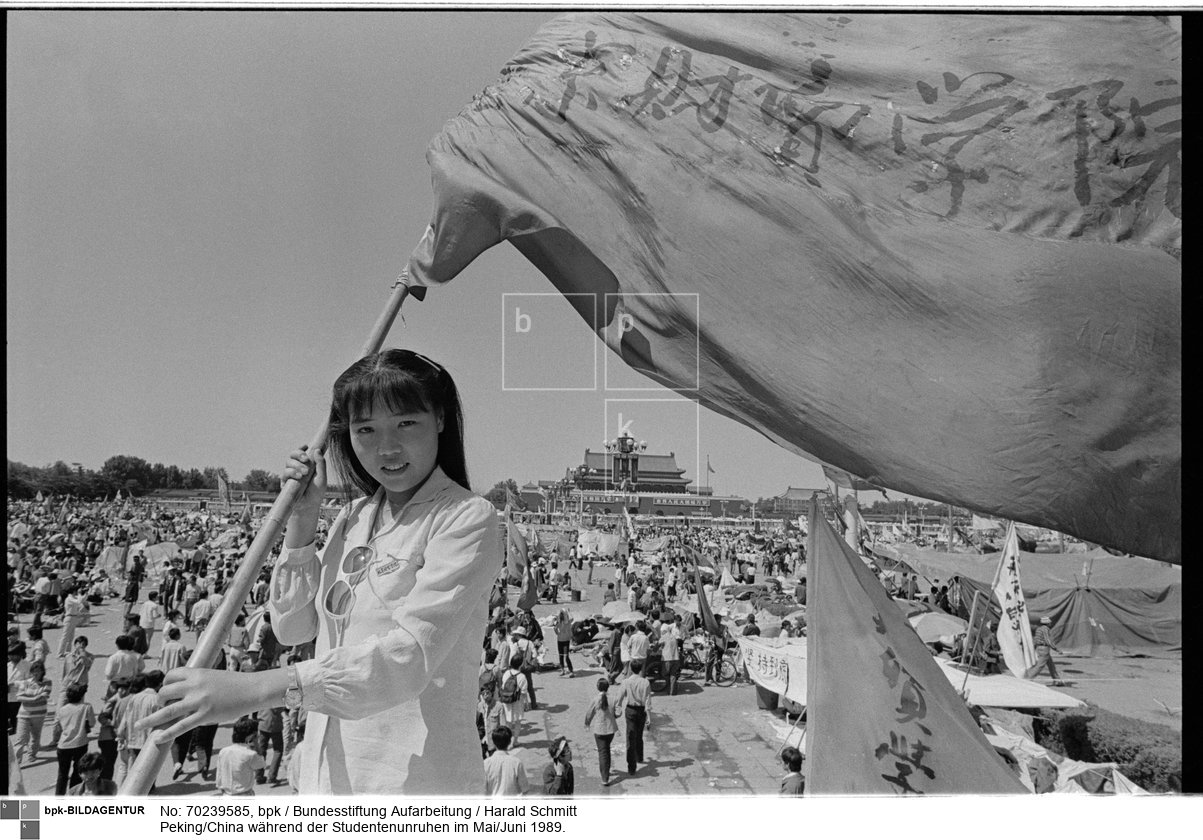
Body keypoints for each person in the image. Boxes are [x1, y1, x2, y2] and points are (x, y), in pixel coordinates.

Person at [139, 350, 502, 795]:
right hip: (326, 773)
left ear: (440, 419)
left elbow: (407, 660)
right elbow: (292, 628)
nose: (386, 448)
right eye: (364, 429)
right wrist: (303, 521)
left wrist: (255, 691)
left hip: (411, 780)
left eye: (406, 423)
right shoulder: (353, 517)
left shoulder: (466, 518)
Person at [51, 682, 95, 795]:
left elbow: (58, 725)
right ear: (81, 695)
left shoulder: (62, 709)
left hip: (63, 745)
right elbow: (92, 723)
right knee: (78, 772)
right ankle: (73, 795)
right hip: (80, 744)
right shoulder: (86, 707)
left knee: (62, 774)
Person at [614, 661, 652, 776]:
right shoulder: (645, 682)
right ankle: (639, 757)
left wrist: (618, 709)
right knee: (639, 735)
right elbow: (647, 701)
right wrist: (649, 717)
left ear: (631, 668)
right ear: (640, 669)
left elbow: (619, 697)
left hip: (630, 710)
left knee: (630, 737)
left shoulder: (626, 682)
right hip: (641, 711)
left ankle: (631, 767)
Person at [214, 717, 266, 796]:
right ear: (250, 737)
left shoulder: (223, 751)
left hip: (226, 795)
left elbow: (219, 777)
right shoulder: (250, 754)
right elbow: (261, 764)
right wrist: (256, 745)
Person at [15, 660, 52, 765]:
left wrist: (28, 697)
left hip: (38, 714)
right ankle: (16, 762)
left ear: (42, 672)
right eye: (34, 671)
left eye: (38, 671)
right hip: (24, 714)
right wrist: (35, 697)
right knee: (20, 739)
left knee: (35, 736)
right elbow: (19, 697)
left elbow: (45, 695)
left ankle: (32, 754)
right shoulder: (26, 682)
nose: (36, 673)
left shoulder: (47, 681)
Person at [583, 678, 618, 786]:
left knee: (602, 753)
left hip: (599, 730)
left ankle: (605, 778)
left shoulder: (595, 699)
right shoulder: (613, 699)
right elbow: (618, 712)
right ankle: (606, 771)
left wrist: (587, 723)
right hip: (610, 729)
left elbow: (589, 713)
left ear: (598, 687)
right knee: (606, 750)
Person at [482, 726, 529, 797]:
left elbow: (482, 790)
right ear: (510, 742)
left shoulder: (486, 764)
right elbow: (525, 789)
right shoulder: (516, 763)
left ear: (494, 743)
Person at [497, 653, 529, 745]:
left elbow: (503, 686)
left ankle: (506, 742)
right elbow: (523, 693)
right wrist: (526, 703)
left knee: (507, 722)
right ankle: (515, 741)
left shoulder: (507, 673)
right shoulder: (522, 676)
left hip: (506, 700)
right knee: (518, 722)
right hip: (517, 702)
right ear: (520, 664)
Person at [1026, 616, 1065, 686]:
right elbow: (1048, 640)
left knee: (1051, 665)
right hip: (1044, 649)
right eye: (1049, 622)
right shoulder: (1045, 629)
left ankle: (1057, 680)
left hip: (1039, 648)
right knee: (1040, 665)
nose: (1050, 623)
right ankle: (1028, 678)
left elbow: (1035, 640)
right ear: (1047, 623)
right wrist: (1057, 649)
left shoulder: (1039, 629)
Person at [553, 609, 575, 677]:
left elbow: (572, 618)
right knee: (561, 656)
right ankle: (563, 670)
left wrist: (568, 612)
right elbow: (556, 631)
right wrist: (556, 630)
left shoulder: (568, 622)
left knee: (566, 656)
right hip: (560, 640)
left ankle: (571, 671)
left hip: (566, 640)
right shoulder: (558, 622)